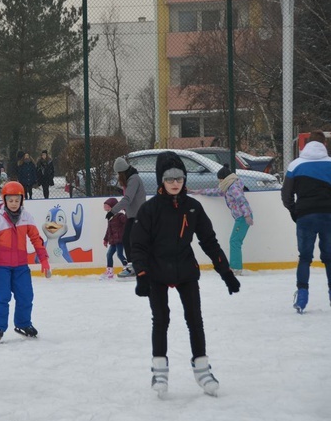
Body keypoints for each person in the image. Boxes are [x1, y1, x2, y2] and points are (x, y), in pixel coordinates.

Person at [130, 151, 240, 398]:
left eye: (179, 178)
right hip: (157, 272)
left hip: (186, 270)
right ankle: (160, 370)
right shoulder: (150, 210)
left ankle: (202, 369)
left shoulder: (193, 207)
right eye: (169, 179)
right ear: (161, 181)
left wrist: (226, 273)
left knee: (195, 319)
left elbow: (209, 241)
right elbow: (138, 245)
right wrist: (142, 274)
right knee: (161, 319)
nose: (175, 183)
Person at [0, 181, 50, 344]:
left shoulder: (26, 217)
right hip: (1, 266)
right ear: (4, 200)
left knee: (26, 296)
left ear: (22, 200)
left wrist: (44, 260)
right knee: (2, 296)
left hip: (20, 266)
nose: (14, 204)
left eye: (17, 200)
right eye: (10, 200)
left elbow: (36, 239)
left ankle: (23, 324)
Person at [280, 131, 331, 314]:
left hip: (305, 216)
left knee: (305, 258)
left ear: (307, 143)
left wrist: (295, 212)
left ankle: (302, 297)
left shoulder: (296, 165)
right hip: (328, 215)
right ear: (324, 143)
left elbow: (286, 195)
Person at [190, 164, 253, 276]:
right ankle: (235, 267)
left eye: (219, 179)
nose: (219, 181)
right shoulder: (228, 187)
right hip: (241, 218)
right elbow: (216, 191)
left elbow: (242, 200)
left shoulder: (233, 187)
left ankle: (236, 268)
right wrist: (199, 191)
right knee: (235, 241)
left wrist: (247, 215)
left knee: (234, 241)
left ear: (224, 178)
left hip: (243, 218)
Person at [106, 156, 146, 278]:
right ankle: (134, 265)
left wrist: (112, 212)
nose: (118, 176)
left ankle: (133, 266)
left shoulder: (133, 179)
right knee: (129, 240)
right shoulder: (131, 179)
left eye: (118, 173)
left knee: (128, 239)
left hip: (138, 216)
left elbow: (128, 199)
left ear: (122, 172)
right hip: (133, 215)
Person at [101, 197, 128, 280]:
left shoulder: (120, 216)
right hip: (113, 240)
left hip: (119, 239)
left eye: (107, 206)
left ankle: (127, 268)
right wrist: (105, 239)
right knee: (109, 255)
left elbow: (127, 220)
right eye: (104, 206)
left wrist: (126, 210)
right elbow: (108, 229)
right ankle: (110, 271)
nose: (105, 207)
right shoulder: (110, 217)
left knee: (119, 254)